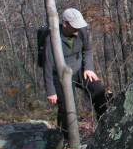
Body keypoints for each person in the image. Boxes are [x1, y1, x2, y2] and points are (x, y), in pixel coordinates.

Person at [43, 8, 108, 138]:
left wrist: (88, 68)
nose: (77, 29)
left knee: (98, 89)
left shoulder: (81, 31)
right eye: (74, 26)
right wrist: (51, 91)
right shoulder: (52, 38)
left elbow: (87, 50)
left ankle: (105, 125)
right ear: (64, 23)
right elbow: (47, 65)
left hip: (80, 69)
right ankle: (64, 138)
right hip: (60, 74)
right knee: (67, 107)